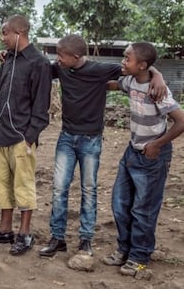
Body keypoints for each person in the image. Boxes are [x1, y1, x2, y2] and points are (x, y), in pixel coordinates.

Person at [38, 35, 166, 266]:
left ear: (75, 57)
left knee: (89, 190)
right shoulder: (61, 68)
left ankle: (86, 240)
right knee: (58, 189)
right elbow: (38, 67)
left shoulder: (100, 70)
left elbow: (137, 67)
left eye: (61, 55)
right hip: (66, 137)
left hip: (91, 140)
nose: (57, 59)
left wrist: (158, 75)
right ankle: (57, 237)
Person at [103, 42, 184, 278]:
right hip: (132, 151)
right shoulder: (129, 81)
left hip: (152, 155)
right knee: (120, 203)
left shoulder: (158, 90)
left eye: (127, 58)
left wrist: (156, 145)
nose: (122, 62)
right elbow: (111, 84)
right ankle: (124, 249)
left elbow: (181, 121)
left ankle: (139, 257)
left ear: (142, 65)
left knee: (143, 209)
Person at [0, 15, 52, 255]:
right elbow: (4, 97)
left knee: (23, 186)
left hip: (21, 138)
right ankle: (5, 230)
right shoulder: (8, 61)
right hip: (0, 135)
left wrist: (29, 137)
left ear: (18, 33)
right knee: (2, 186)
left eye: (5, 33)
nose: (2, 37)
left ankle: (25, 233)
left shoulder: (39, 63)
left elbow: (41, 107)